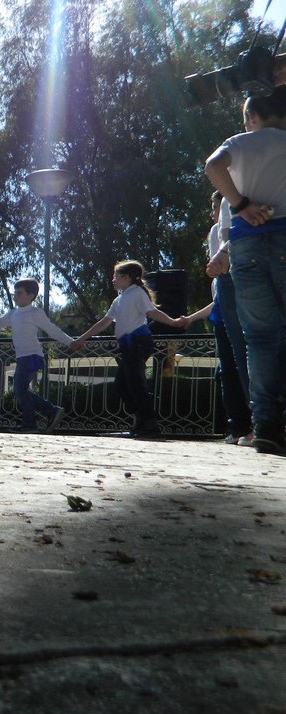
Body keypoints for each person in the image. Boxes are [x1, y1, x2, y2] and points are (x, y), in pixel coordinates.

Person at [204, 84, 286, 454]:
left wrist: (240, 205)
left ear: (251, 116)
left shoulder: (239, 143)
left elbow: (213, 166)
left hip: (245, 246)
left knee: (259, 338)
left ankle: (265, 423)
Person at [73, 260, 185, 439]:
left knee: (135, 384)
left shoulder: (137, 293)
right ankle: (141, 422)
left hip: (138, 342)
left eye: (116, 276)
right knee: (123, 385)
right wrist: (82, 338)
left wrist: (172, 322)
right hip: (128, 345)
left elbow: (152, 312)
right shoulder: (120, 299)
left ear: (127, 278)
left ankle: (150, 425)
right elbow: (105, 321)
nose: (113, 279)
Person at [0, 278, 80, 433]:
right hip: (22, 358)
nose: (15, 296)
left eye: (19, 293)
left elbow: (52, 329)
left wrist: (70, 342)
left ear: (31, 296)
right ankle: (50, 411)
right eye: (15, 293)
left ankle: (32, 423)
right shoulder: (13, 314)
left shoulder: (35, 313)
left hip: (32, 356)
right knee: (21, 390)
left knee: (19, 390)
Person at [194, 191, 253, 446]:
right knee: (229, 367)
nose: (214, 213)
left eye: (216, 207)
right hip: (223, 303)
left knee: (243, 358)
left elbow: (222, 269)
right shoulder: (215, 230)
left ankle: (255, 422)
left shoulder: (227, 220)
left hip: (235, 290)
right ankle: (241, 425)